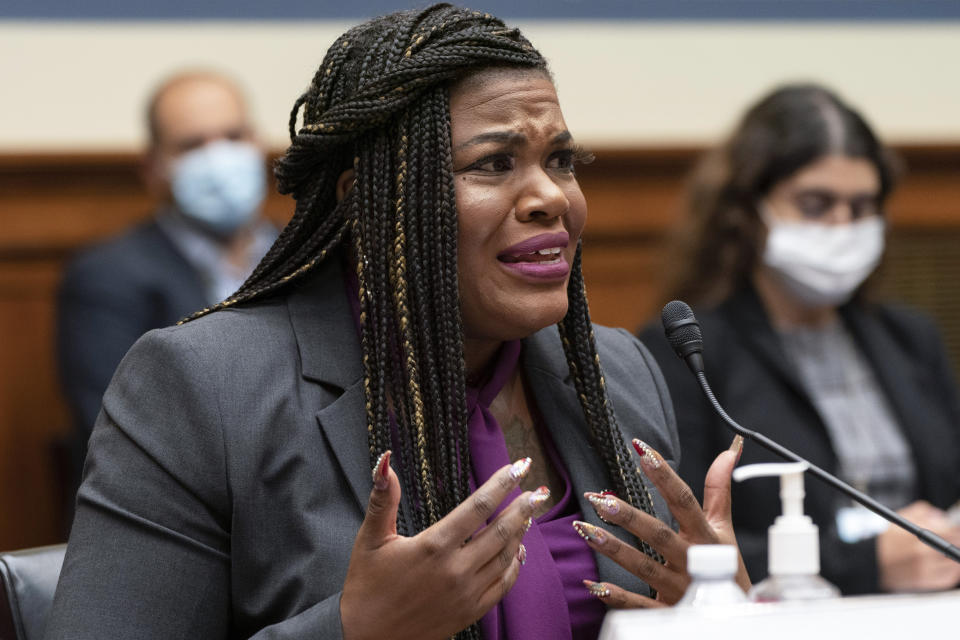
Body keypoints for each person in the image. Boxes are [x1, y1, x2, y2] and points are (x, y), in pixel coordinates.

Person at [47, 6, 746, 639]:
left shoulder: (616, 372)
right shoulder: (204, 388)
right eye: (495, 163)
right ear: (368, 204)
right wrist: (356, 630)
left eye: (560, 160)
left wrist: (725, 620)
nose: (549, 198)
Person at [640, 83, 960, 595]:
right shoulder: (687, 353)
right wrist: (862, 564)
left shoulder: (910, 337)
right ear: (748, 211)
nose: (842, 225)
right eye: (816, 204)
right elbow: (682, 542)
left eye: (862, 206)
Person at [56, 70, 278, 476]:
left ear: (257, 143)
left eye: (233, 136)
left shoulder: (312, 258)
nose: (218, 159)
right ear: (153, 167)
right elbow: (119, 436)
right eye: (192, 145)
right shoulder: (106, 277)